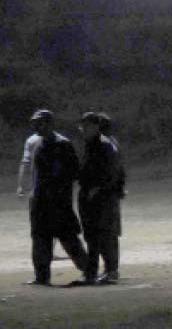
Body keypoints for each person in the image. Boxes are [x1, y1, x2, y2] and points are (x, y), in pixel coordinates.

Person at [24, 109, 90, 285]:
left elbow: (72, 172)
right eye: (35, 123)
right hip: (40, 201)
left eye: (41, 123)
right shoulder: (37, 144)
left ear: (50, 123)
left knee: (68, 239)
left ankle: (89, 271)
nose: (37, 126)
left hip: (58, 202)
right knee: (40, 240)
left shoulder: (62, 144)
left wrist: (59, 193)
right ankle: (41, 276)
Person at [77, 112, 125, 284]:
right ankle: (92, 271)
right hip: (89, 196)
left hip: (102, 197)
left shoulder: (105, 146)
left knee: (105, 233)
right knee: (91, 235)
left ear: (96, 127)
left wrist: (97, 189)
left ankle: (111, 270)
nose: (83, 129)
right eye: (82, 126)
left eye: (88, 126)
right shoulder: (89, 145)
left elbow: (111, 173)